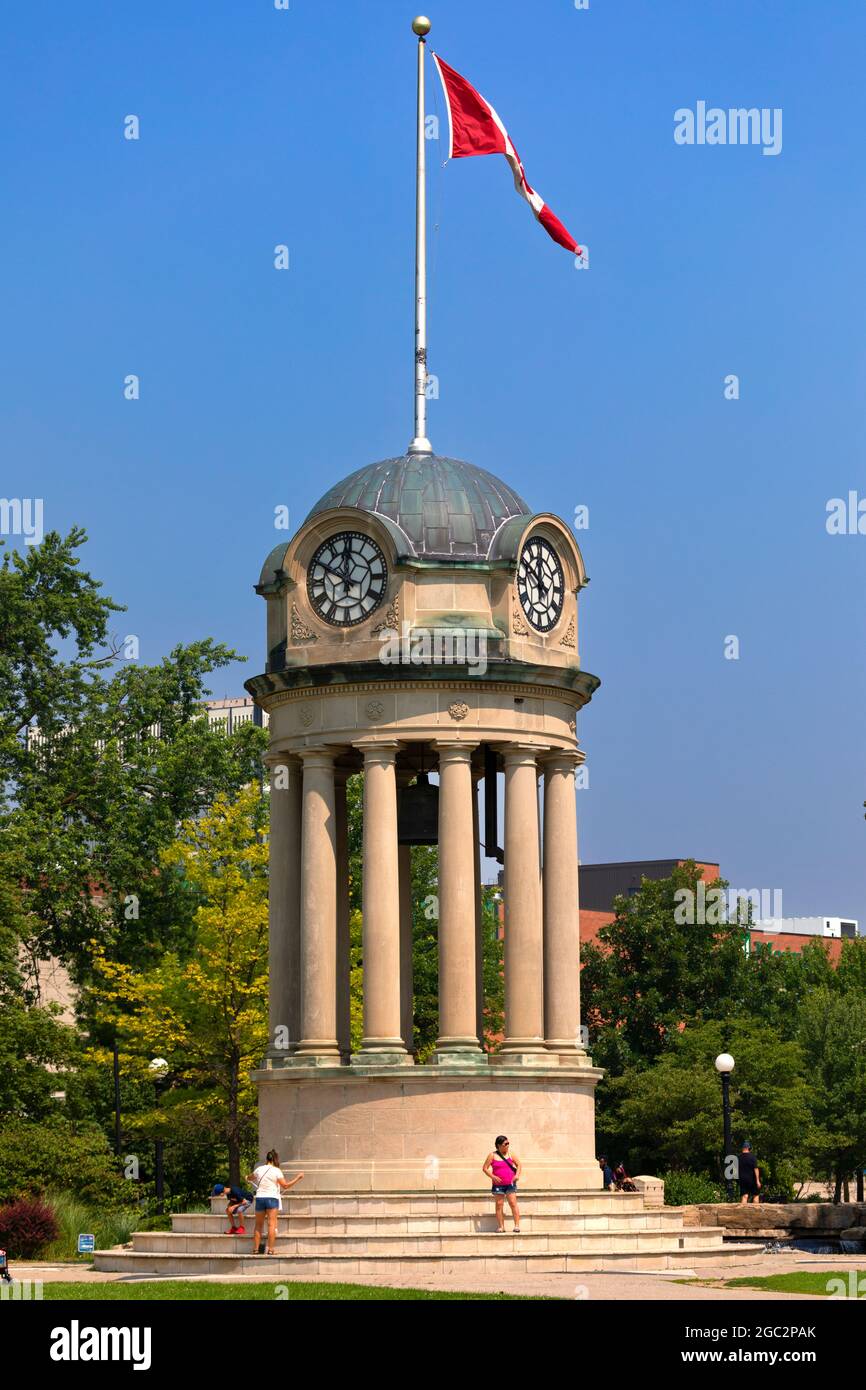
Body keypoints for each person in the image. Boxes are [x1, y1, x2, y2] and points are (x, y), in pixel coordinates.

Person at [246, 1149, 304, 1255]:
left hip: (260, 1198)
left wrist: (247, 1177)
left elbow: (250, 1177)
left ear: (267, 1159)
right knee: (271, 1225)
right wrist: (298, 1178)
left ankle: (255, 1249)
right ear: (275, 1159)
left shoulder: (259, 1169)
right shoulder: (276, 1171)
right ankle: (271, 1250)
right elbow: (285, 1185)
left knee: (258, 1225)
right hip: (272, 1198)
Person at [482, 1135, 521, 1233]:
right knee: (499, 1205)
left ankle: (517, 1226)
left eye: (508, 1143)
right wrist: (493, 1177)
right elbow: (485, 1168)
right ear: (499, 1145)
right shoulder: (492, 1155)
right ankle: (501, 1227)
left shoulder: (511, 1154)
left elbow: (519, 1165)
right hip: (498, 1185)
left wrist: (517, 1175)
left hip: (510, 1183)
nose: (508, 1145)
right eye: (505, 1144)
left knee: (513, 1203)